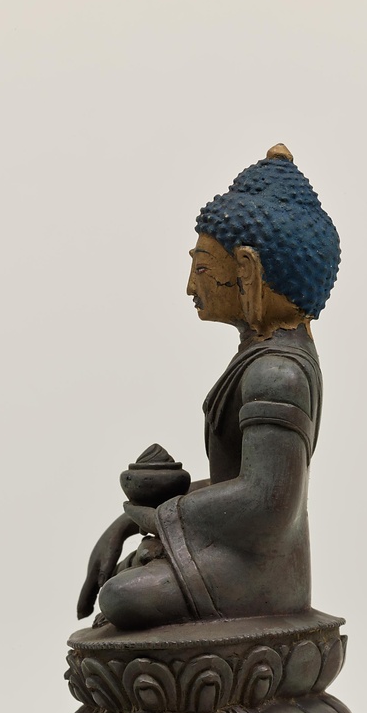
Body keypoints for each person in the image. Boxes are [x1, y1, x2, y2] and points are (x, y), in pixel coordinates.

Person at [76, 144, 341, 630]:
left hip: (257, 570)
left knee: (120, 599)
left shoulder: (276, 372)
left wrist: (152, 519)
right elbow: (233, 485)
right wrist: (129, 521)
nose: (189, 286)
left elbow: (265, 501)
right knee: (125, 593)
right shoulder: (261, 358)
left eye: (202, 268)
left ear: (247, 271)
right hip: (237, 550)